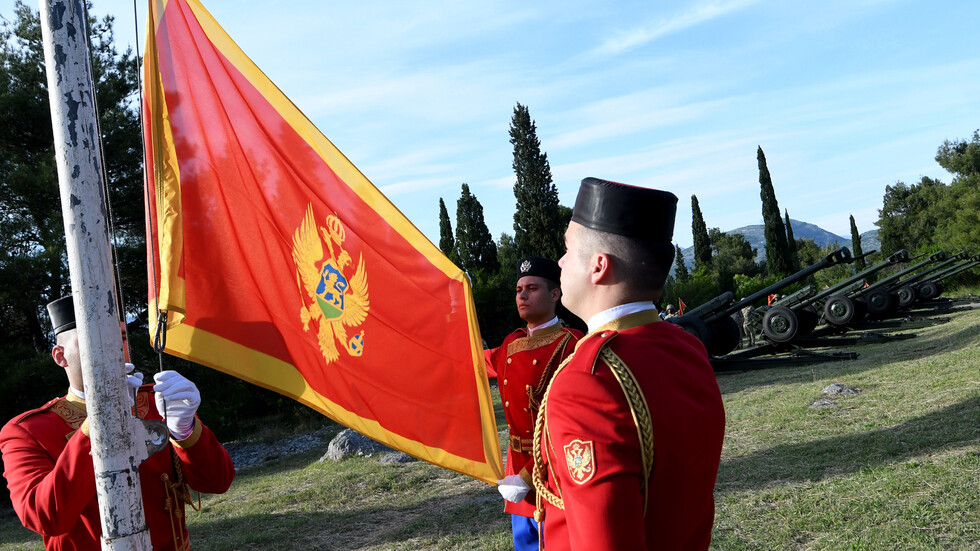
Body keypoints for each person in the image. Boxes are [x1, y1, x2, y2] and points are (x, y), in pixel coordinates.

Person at [531, 178, 726, 550]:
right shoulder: (686, 346)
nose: (560, 262)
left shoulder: (588, 381)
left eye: (568, 249)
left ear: (599, 266)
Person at [0, 295, 236, 551]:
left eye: (121, 336)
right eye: (92, 338)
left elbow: (218, 482)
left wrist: (185, 430)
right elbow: (45, 517)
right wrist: (98, 422)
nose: (111, 346)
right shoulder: (28, 431)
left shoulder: (158, 401)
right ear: (60, 356)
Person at [486, 257, 583, 551]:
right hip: (515, 468)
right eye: (518, 290)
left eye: (532, 288)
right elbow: (474, 361)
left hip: (552, 471)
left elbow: (570, 425)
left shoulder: (572, 345)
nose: (522, 296)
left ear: (555, 294)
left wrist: (528, 477)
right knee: (526, 543)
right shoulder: (511, 343)